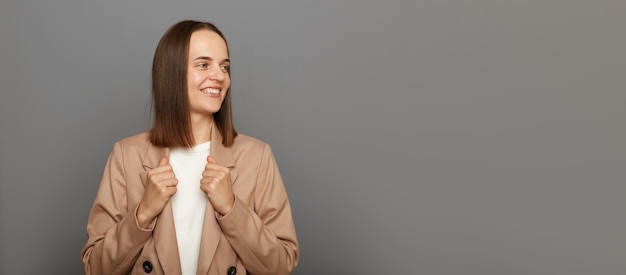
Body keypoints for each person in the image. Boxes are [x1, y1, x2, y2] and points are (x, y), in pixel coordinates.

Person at [81, 20, 299, 275]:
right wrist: (143, 213)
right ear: (172, 73)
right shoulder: (126, 155)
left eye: (224, 67)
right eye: (203, 64)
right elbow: (95, 267)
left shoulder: (257, 157)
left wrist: (231, 208)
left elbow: (281, 265)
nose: (219, 76)